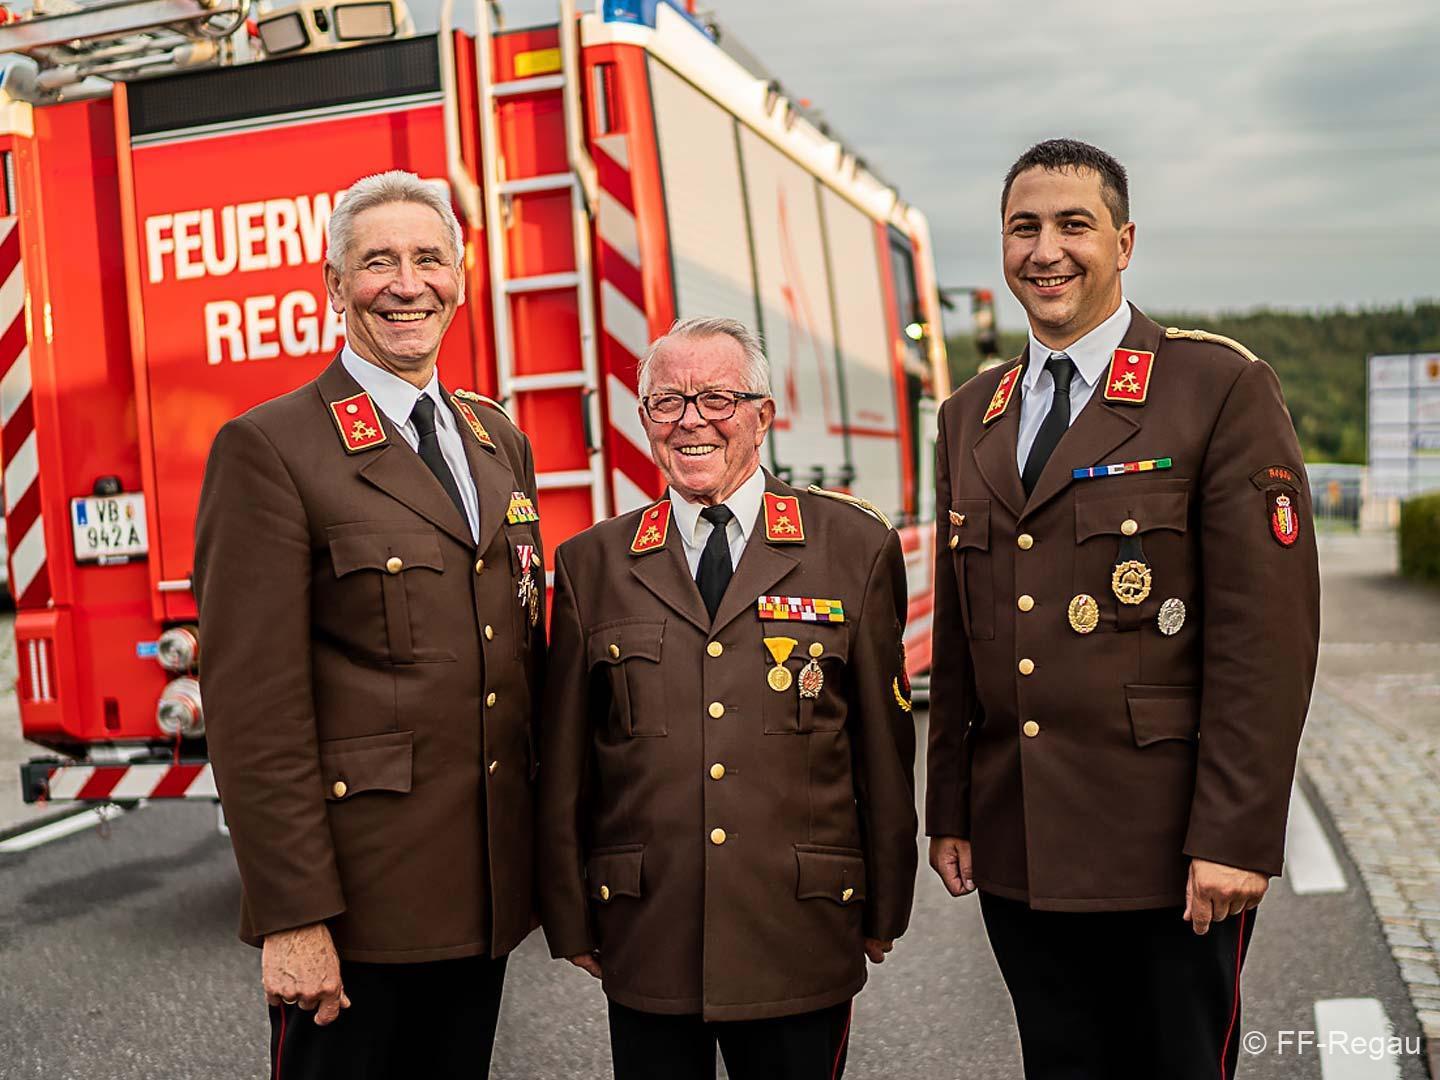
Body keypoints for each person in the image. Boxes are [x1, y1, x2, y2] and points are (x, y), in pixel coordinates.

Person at [926, 139, 1321, 1079]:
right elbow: (960, 634)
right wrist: (951, 808)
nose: (1046, 251)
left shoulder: (1215, 389)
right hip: (1021, 843)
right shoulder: (969, 413)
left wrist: (1234, 836)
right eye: (1023, 228)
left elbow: (1265, 642)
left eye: (1075, 225)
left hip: (1165, 849)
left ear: (1125, 242)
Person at [194, 170, 545, 1080]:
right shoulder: (273, 447)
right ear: (335, 285)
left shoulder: (495, 441)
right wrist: (292, 915)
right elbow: (253, 708)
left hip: (482, 899)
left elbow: (513, 657)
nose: (407, 284)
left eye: (429, 259)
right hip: (359, 912)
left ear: (459, 279)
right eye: (378, 262)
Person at [535, 316, 917, 1080]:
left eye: (717, 398)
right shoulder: (591, 564)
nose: (691, 421)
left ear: (762, 416)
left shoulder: (852, 547)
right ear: (644, 418)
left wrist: (885, 908)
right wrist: (569, 916)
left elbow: (882, 751)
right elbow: (566, 766)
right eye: (667, 402)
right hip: (649, 933)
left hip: (798, 932)